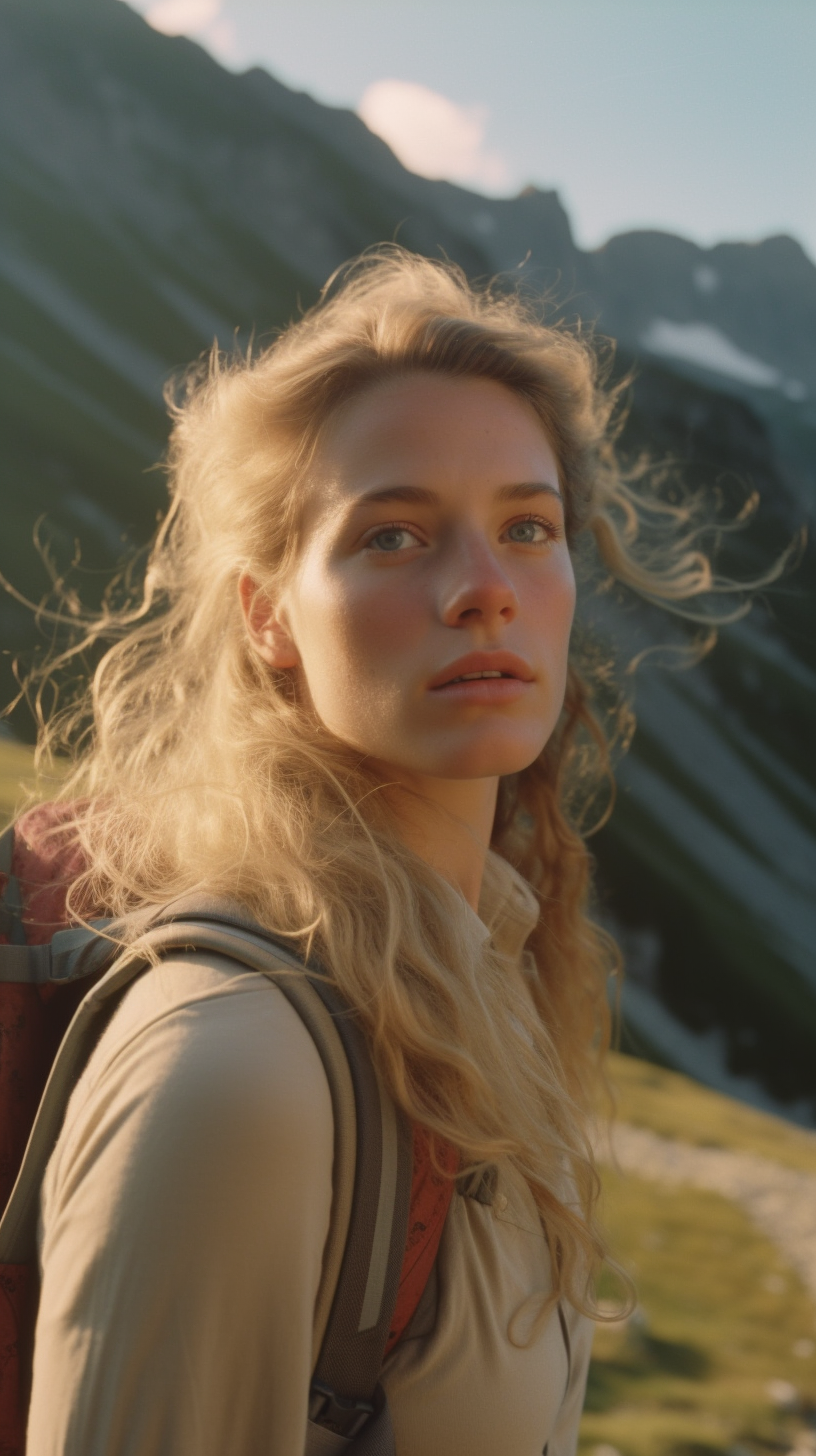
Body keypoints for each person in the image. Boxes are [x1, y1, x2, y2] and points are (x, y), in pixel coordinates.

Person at [19, 248, 721, 1455]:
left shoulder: (482, 969)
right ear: (267, 617)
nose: (485, 589)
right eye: (394, 536)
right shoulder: (237, 1068)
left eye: (528, 526)